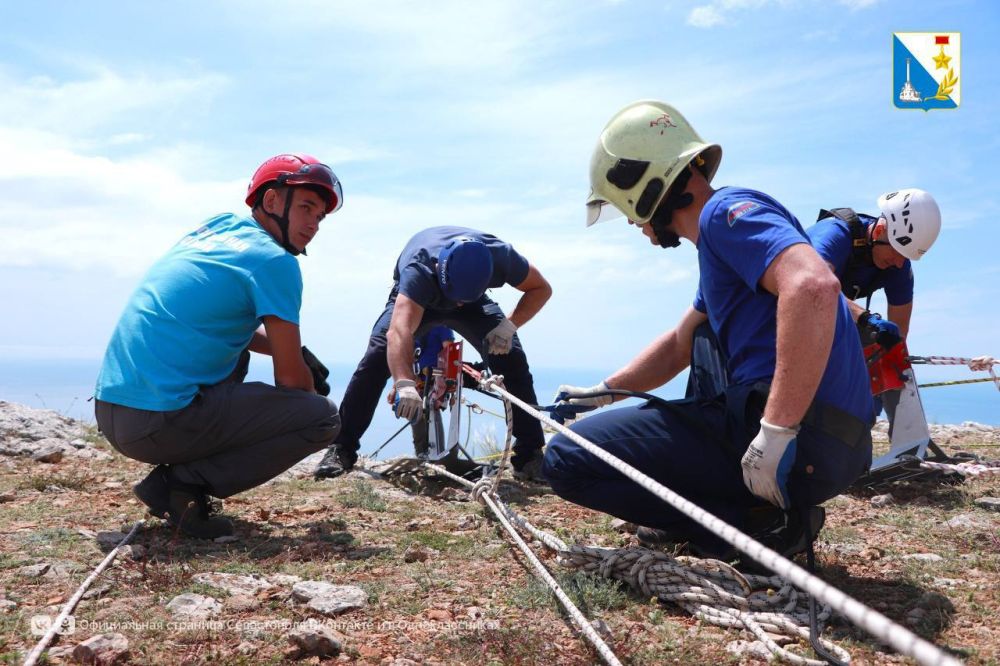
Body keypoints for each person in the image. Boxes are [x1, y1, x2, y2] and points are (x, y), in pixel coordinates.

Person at [543, 101, 874, 561]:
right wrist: (604, 392)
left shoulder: (724, 213)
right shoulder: (721, 244)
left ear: (645, 184)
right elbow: (681, 344)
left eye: (628, 210)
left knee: (566, 460)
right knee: (702, 338)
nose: (636, 225)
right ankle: (757, 517)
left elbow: (814, 286)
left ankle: (748, 530)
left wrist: (777, 431)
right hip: (838, 443)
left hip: (800, 439)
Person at [94, 154, 344, 539]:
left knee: (236, 354)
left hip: (113, 411)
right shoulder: (275, 261)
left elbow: (212, 325)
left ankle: (180, 480)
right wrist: (303, 387)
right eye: (307, 208)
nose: (313, 224)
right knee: (322, 417)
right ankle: (180, 486)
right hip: (156, 424)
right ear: (273, 201)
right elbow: (293, 384)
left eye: (320, 217)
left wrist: (286, 350)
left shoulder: (214, 230)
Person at [314, 226, 552, 481]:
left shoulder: (501, 257)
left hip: (476, 301)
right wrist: (405, 383)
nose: (456, 306)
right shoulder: (419, 271)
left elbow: (541, 288)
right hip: (424, 299)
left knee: (510, 357)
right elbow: (399, 331)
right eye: (455, 299)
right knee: (377, 356)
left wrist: (508, 326)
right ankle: (342, 448)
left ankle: (529, 455)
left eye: (461, 301)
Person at [807, 189, 941, 343]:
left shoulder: (898, 265)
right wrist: (865, 318)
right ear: (879, 231)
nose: (899, 263)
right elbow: (814, 287)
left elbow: (898, 338)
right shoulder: (833, 235)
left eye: (906, 257)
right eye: (898, 252)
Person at [411, 325, 455, 456]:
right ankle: (422, 453)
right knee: (415, 411)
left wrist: (450, 382)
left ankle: (437, 452)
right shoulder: (415, 328)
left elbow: (450, 352)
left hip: (436, 378)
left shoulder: (442, 325)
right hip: (419, 378)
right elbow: (408, 355)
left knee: (431, 408)